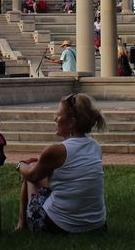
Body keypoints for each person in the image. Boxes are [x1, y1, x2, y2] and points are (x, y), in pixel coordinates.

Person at [15, 93, 107, 234]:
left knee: (31, 176)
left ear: (71, 122)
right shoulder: (95, 146)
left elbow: (31, 176)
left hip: (61, 226)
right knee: (40, 175)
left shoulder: (57, 150)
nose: (54, 119)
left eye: (58, 115)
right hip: (96, 225)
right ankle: (21, 225)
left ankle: (22, 225)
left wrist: (21, 164)